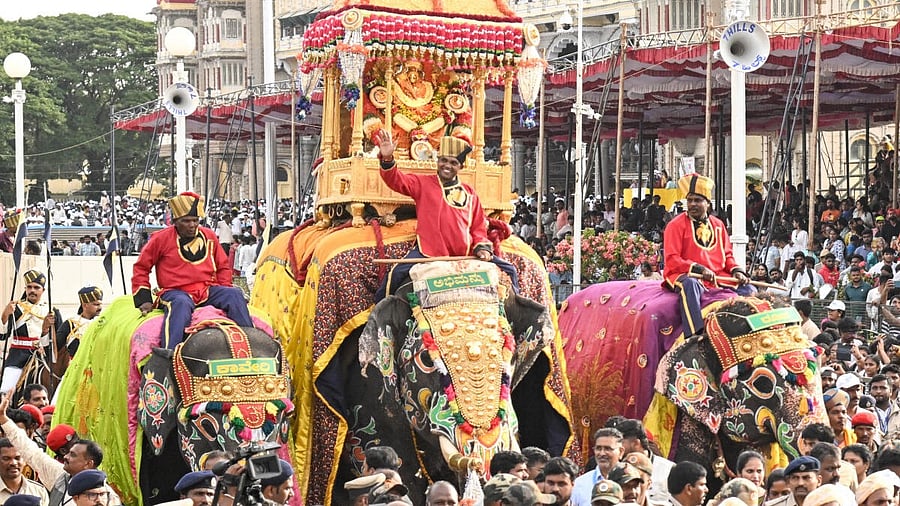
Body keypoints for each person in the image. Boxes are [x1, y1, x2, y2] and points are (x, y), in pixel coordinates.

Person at [374, 131, 519, 298]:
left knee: (510, 270)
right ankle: (378, 311)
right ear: (438, 161)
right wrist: (387, 158)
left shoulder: (470, 193)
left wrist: (482, 248)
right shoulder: (423, 183)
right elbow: (396, 180)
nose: (447, 165)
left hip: (466, 254)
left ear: (461, 167)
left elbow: (478, 227)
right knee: (394, 275)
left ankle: (519, 309)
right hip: (428, 252)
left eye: (453, 162)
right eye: (443, 160)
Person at [132, 192, 254, 349]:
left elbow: (223, 266)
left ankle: (253, 343)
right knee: (181, 303)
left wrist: (224, 287)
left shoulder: (209, 236)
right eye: (186, 221)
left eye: (195, 220)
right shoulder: (160, 238)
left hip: (207, 290)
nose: (192, 225)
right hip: (175, 292)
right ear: (175, 221)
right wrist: (144, 300)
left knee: (234, 294)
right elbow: (141, 267)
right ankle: (169, 352)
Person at [663, 173, 750, 337]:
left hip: (717, 276)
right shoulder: (675, 225)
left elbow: (727, 255)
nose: (692, 204)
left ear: (708, 203)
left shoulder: (718, 225)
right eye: (690, 200)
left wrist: (737, 271)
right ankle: (694, 334)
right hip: (686, 275)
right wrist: (700, 269)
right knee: (690, 285)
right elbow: (672, 259)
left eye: (697, 200)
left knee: (749, 289)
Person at [0, 270, 61, 394]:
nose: (32, 290)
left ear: (43, 290)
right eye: (29, 287)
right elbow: (3, 336)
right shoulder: (16, 308)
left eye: (36, 287)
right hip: (19, 356)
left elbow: (58, 340)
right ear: (25, 289)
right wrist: (5, 315)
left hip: (43, 356)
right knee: (6, 387)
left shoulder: (52, 311)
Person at [571, 428, 624, 506]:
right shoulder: (580, 484)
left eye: (608, 449)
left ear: (621, 452)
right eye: (598, 448)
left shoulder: (631, 481)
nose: (602, 453)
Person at [56, 287, 103, 359]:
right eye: (96, 304)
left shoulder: (103, 323)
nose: (100, 308)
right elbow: (56, 347)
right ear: (85, 305)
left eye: (100, 304)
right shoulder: (71, 323)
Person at [0, 438, 49, 506]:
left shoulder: (39, 491)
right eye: (6, 459)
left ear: (25, 461)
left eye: (17, 458)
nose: (13, 463)